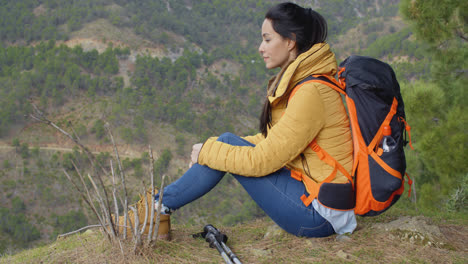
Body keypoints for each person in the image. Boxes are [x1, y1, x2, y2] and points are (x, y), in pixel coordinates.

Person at [155, 2, 356, 238]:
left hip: (320, 216)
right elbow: (274, 140)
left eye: (267, 39)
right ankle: (158, 209)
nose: (261, 48)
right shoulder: (306, 84)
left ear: (290, 41)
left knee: (224, 147)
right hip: (317, 196)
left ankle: (156, 210)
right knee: (226, 141)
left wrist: (209, 153)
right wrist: (214, 148)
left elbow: (263, 160)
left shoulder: (311, 91)